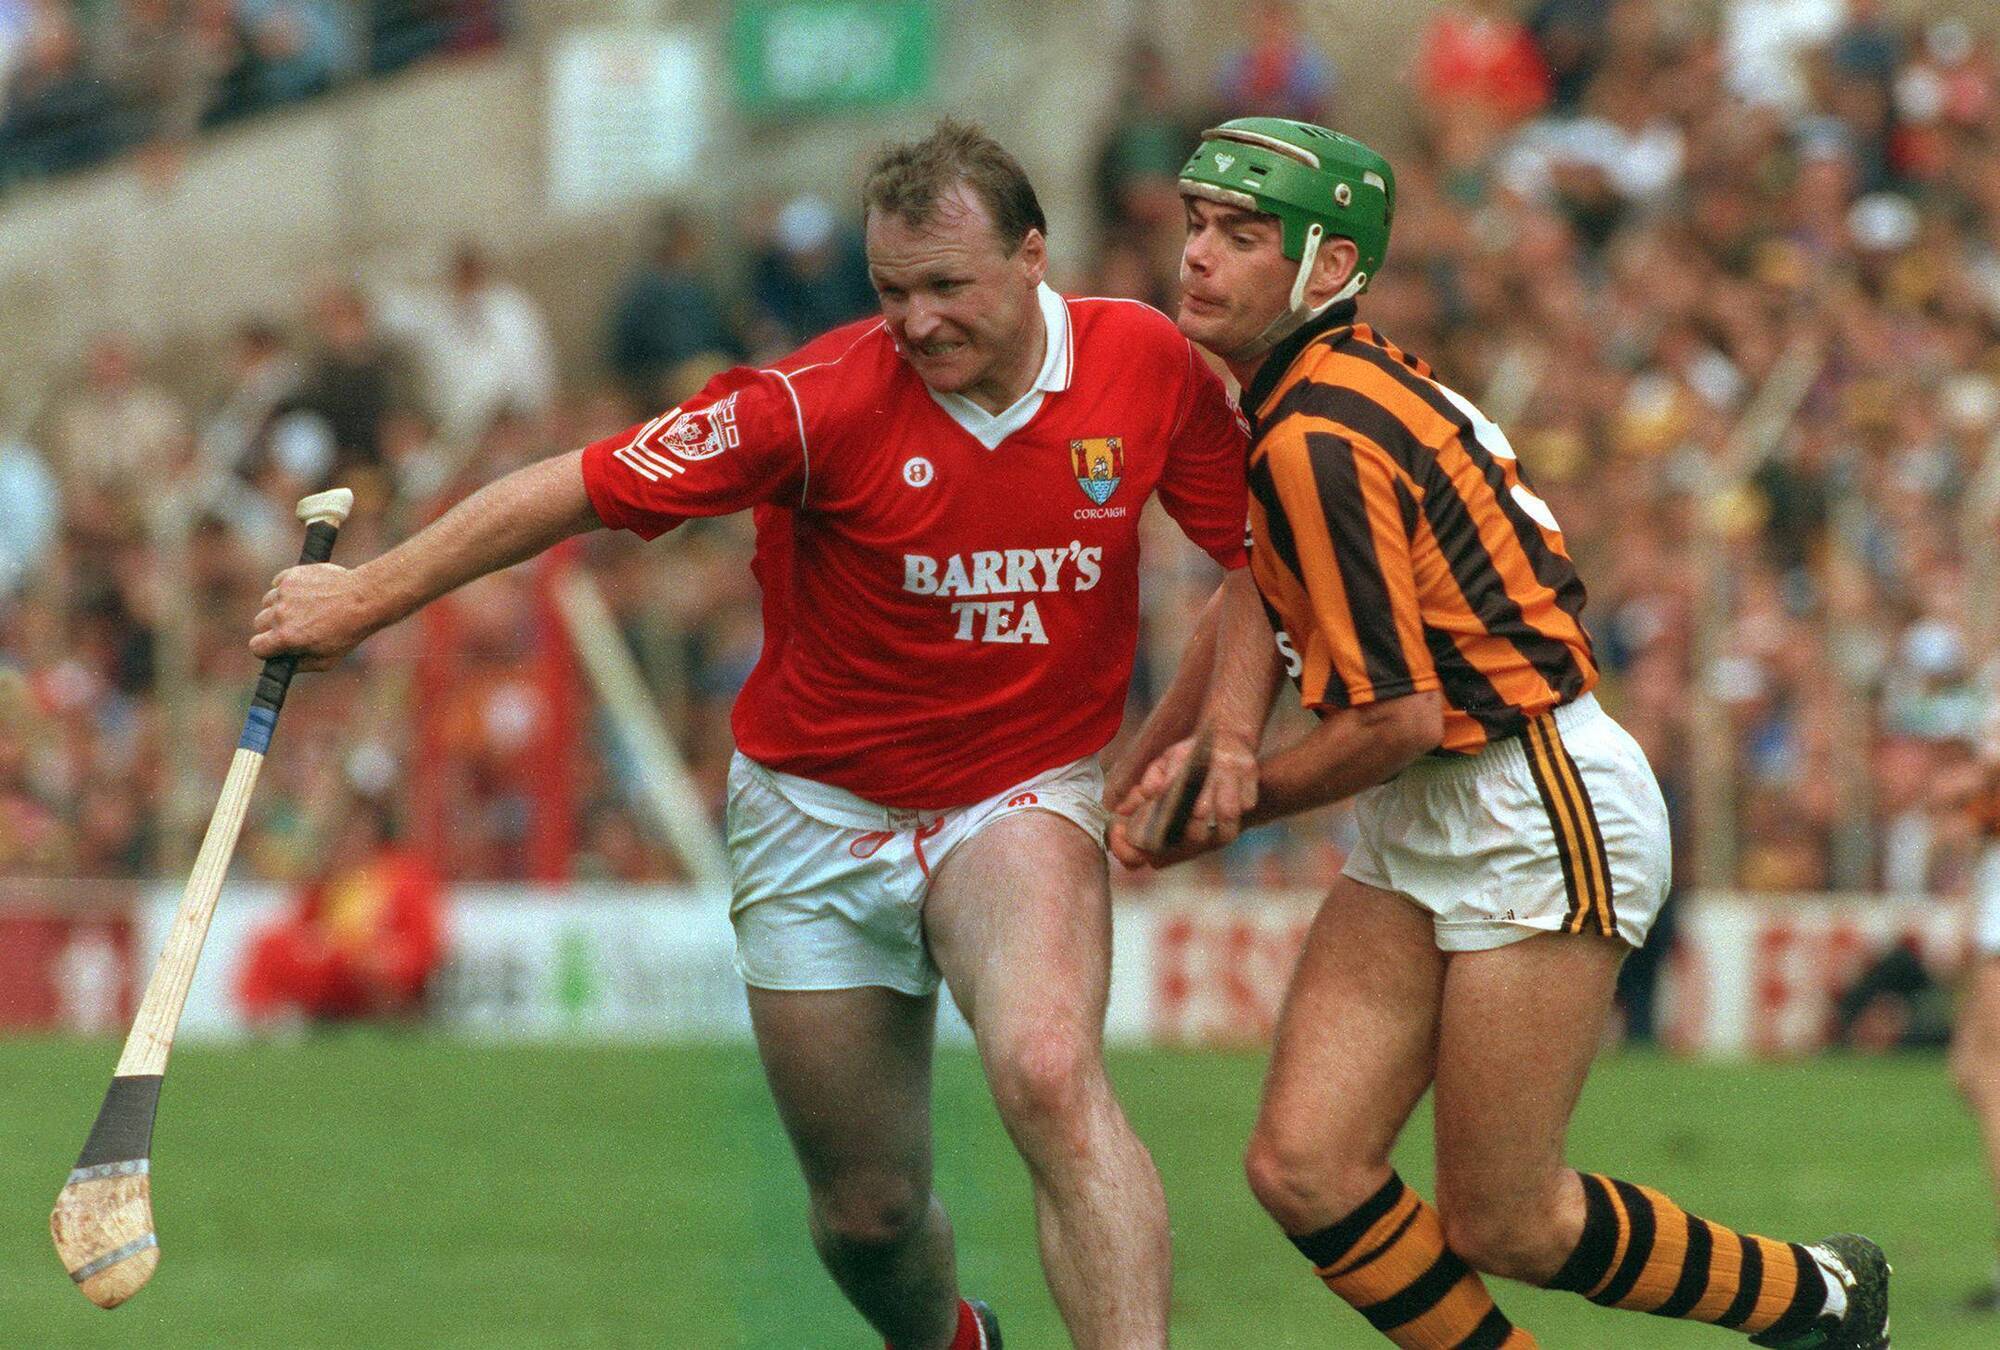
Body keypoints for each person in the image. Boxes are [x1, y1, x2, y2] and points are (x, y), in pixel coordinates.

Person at [250, 119, 1253, 1350]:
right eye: (891, 291)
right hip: (816, 812)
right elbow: (575, 486)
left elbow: (1262, 559)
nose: (917, 321)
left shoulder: (1141, 363)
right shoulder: (809, 403)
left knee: (1048, 1071)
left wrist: (1209, 734)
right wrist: (366, 596)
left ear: (1032, 256)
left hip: (1017, 792)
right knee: (867, 1214)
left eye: (948, 286)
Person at [1112, 116, 1891, 1349]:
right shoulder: (1307, 394)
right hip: (1436, 797)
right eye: (1196, 224)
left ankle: (1818, 1298)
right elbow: (1258, 576)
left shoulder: (1316, 431)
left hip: (1533, 796)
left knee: (1507, 1220)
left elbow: (1395, 718)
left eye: (1243, 235)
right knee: (1304, 1167)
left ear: (1328, 268)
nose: (1197, 255)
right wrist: (1186, 752)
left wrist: (1235, 800)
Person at [236, 792, 446, 1027]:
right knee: (272, 945)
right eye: (345, 833)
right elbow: (304, 927)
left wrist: (376, 955)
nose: (350, 840)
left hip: (379, 967)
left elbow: (421, 944)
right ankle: (265, 1022)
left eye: (358, 832)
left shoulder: (403, 875)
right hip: (334, 967)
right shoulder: (328, 878)